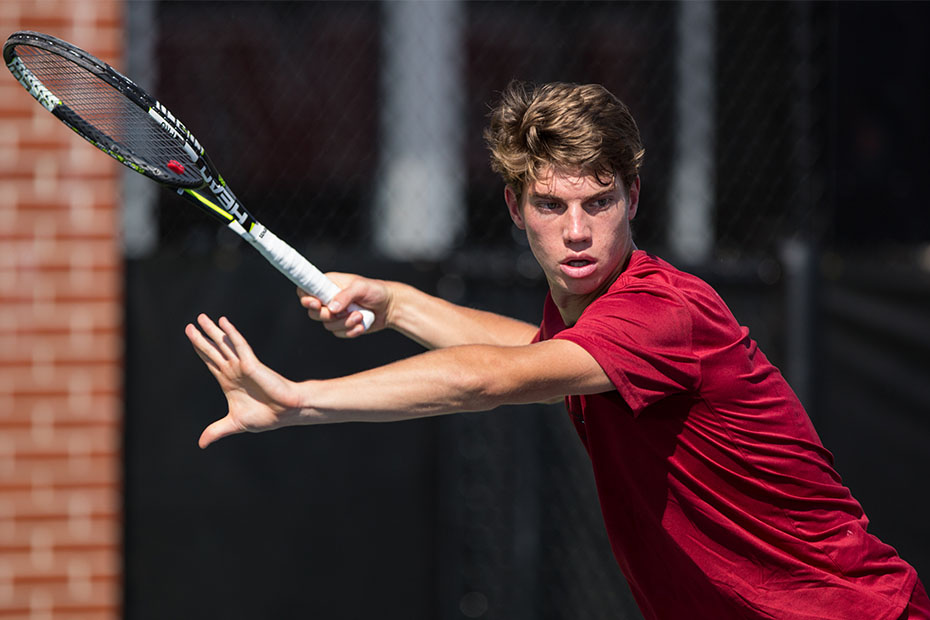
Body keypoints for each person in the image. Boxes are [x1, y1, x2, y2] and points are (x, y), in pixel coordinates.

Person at [186, 81, 928, 619]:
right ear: (515, 208)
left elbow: (498, 377)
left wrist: (299, 398)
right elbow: (540, 351)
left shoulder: (664, 314)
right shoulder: (592, 321)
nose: (577, 232)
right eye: (552, 205)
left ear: (632, 198)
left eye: (598, 203)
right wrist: (397, 302)